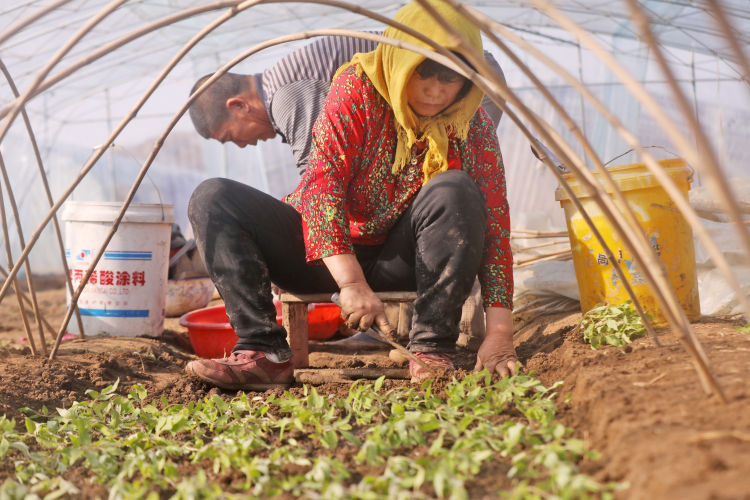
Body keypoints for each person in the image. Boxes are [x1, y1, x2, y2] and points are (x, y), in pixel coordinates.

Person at [186, 0, 517, 390]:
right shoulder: (357, 88)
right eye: (422, 74)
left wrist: (500, 335)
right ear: (397, 61)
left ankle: (431, 350)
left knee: (457, 188)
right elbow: (323, 186)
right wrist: (351, 284)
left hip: (406, 255)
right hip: (326, 258)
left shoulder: (471, 121)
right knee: (214, 197)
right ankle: (264, 353)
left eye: (450, 79)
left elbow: (495, 225)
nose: (434, 91)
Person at [187, 36, 506, 176]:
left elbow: (318, 174)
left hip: (465, 79)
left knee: (450, 183)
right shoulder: (283, 84)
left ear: (239, 106)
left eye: (231, 137)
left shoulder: (285, 95)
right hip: (464, 75)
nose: (242, 145)